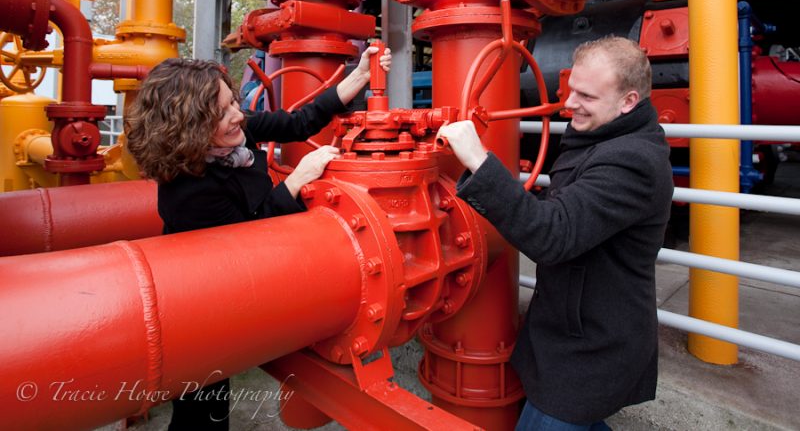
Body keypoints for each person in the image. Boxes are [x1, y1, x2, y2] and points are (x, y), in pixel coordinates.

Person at [124, 44, 391, 430]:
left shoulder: (230, 135)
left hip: (233, 286)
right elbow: (245, 243)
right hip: (197, 306)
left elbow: (297, 122)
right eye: (223, 112)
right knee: (202, 411)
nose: (238, 116)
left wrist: (361, 75)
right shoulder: (189, 191)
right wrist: (297, 180)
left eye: (234, 102)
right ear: (191, 128)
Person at [437, 36, 673, 430]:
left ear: (628, 101)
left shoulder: (633, 160)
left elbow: (552, 235)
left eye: (587, 96)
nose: (569, 103)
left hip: (594, 342)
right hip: (569, 326)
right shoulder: (602, 133)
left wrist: (478, 161)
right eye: (570, 88)